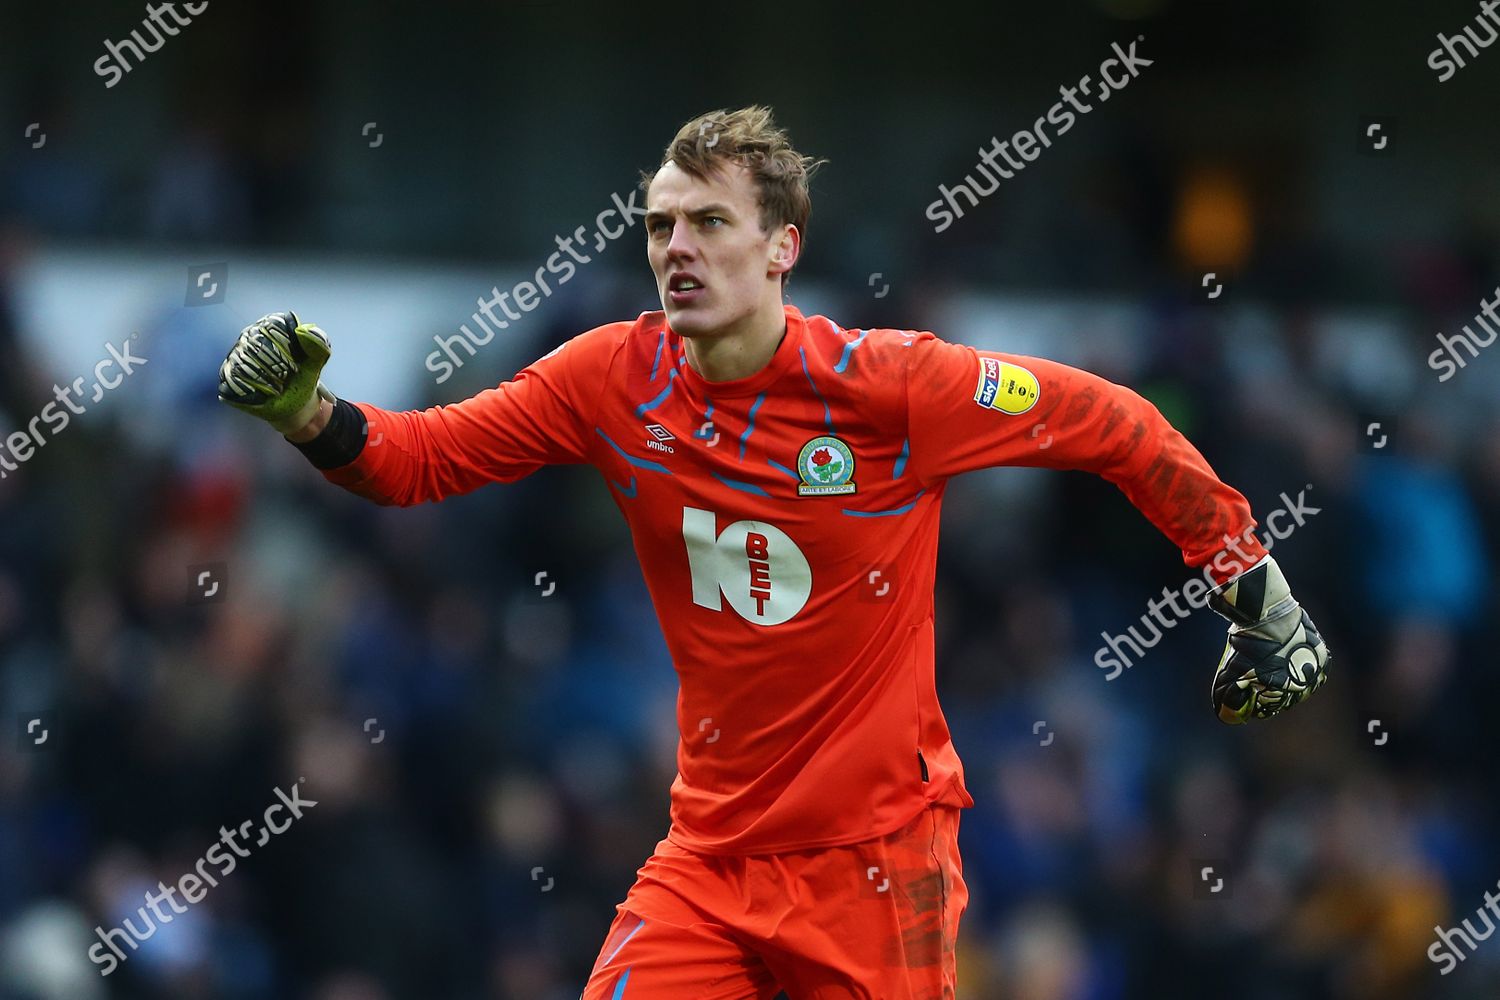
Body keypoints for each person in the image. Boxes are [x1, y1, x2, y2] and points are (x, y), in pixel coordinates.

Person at [217, 105, 1330, 999]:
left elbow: (1118, 426)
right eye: (660, 226)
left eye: (708, 222)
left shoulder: (895, 386)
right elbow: (422, 461)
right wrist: (313, 418)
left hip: (876, 864)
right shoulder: (612, 376)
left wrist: (1254, 590)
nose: (677, 249)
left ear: (782, 246)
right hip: (709, 858)